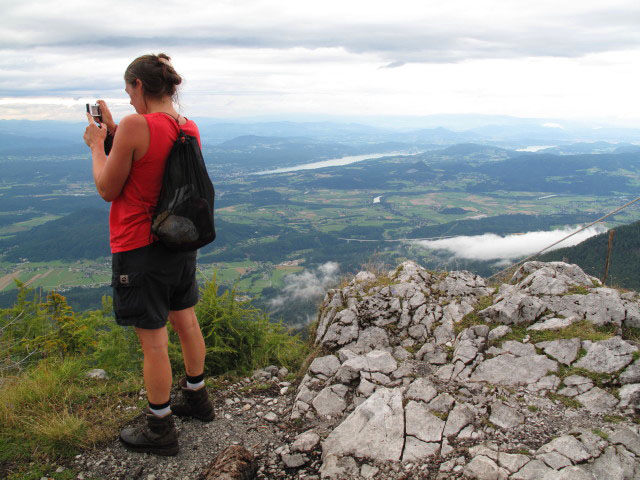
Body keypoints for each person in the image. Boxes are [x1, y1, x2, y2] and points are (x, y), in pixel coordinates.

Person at [83, 53, 214, 456]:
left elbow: (107, 187)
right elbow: (151, 153)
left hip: (139, 247)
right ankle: (198, 399)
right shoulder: (185, 125)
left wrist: (96, 145)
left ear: (139, 85)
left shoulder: (137, 126)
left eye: (128, 92)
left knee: (154, 343)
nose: (128, 101)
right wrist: (116, 131)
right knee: (185, 320)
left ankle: (160, 428)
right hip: (177, 242)